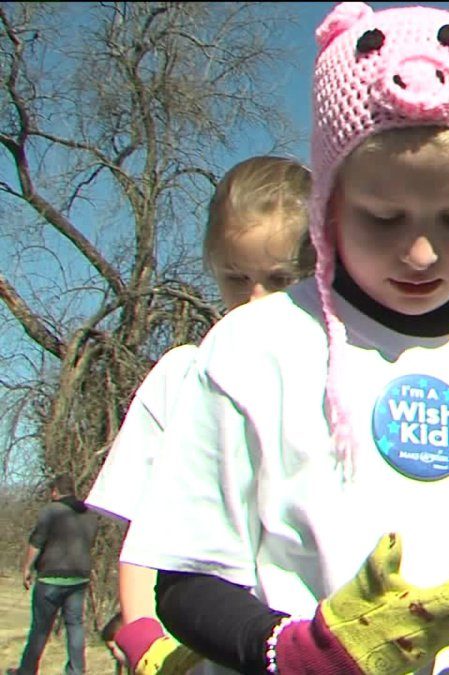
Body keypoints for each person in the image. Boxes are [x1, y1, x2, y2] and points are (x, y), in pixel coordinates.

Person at [119, 3, 449, 675]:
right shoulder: (255, 346)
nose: (422, 252)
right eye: (384, 216)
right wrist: (295, 651)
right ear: (329, 203)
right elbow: (186, 581)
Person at [84, 155, 315, 674]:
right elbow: (149, 533)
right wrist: (144, 639)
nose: (256, 300)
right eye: (237, 278)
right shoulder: (185, 374)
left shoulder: (338, 384)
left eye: (280, 280)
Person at [9, 474, 100, 675]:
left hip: (51, 577)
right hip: (79, 576)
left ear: (55, 491)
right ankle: (76, 671)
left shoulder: (51, 511)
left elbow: (37, 542)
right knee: (75, 625)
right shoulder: (90, 514)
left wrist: (26, 568)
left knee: (40, 628)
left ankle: (27, 670)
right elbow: (90, 542)